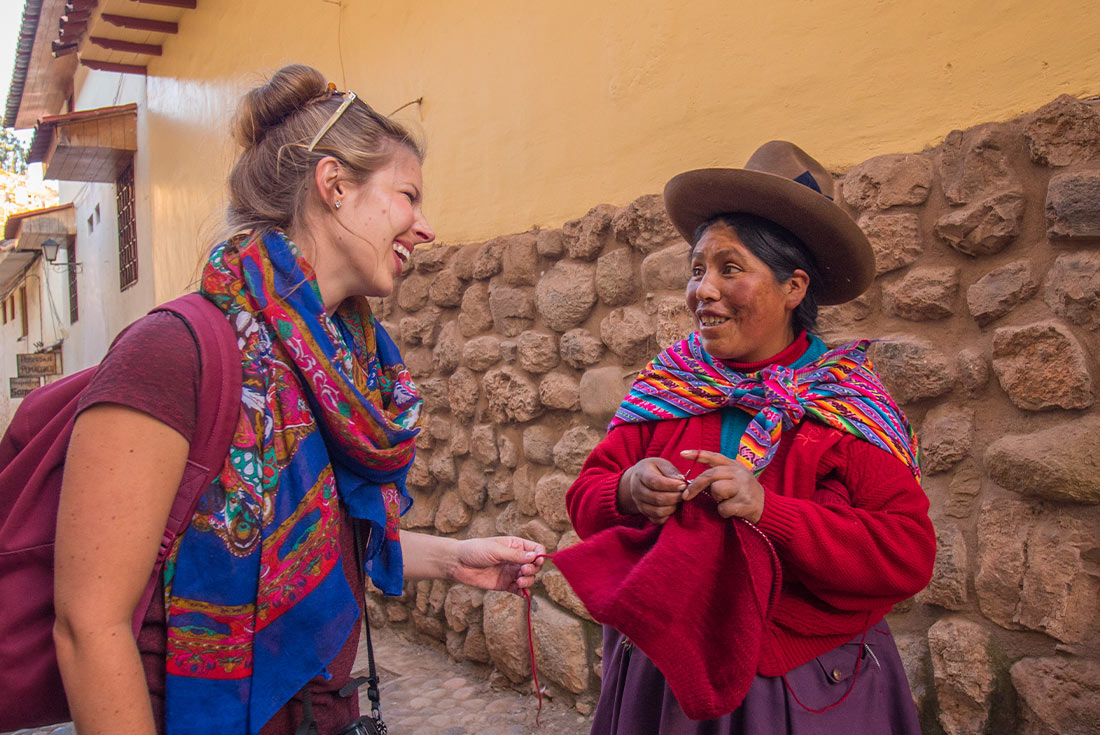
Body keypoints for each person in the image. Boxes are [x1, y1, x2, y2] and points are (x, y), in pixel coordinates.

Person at [51, 64, 545, 735]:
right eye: (407, 196)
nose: (424, 228)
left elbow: (320, 534)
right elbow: (89, 623)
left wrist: (457, 558)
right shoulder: (172, 352)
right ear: (335, 185)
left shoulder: (336, 369)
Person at [558, 141, 935, 734]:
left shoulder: (845, 407)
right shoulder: (667, 388)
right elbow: (586, 497)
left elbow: (906, 552)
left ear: (793, 288)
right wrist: (627, 490)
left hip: (805, 689)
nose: (702, 289)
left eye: (730, 269)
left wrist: (770, 510)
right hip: (667, 684)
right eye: (698, 269)